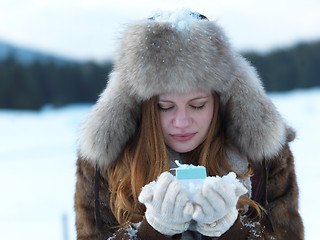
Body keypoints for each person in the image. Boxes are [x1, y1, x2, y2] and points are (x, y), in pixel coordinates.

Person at [74, 9, 304, 240]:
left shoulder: (265, 159)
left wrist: (233, 231)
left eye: (197, 105)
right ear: (143, 105)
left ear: (220, 100)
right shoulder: (104, 165)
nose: (182, 122)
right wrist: (152, 232)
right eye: (165, 106)